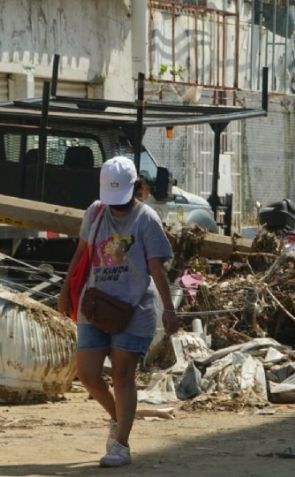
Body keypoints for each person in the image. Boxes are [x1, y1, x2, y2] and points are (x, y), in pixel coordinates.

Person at [58, 156, 179, 468]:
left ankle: (120, 444)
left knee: (123, 375)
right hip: (95, 304)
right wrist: (66, 289)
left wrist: (169, 309)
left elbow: (156, 267)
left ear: (135, 189)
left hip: (135, 306)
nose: (117, 207)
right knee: (87, 374)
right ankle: (119, 417)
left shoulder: (146, 219)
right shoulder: (96, 212)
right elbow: (81, 252)